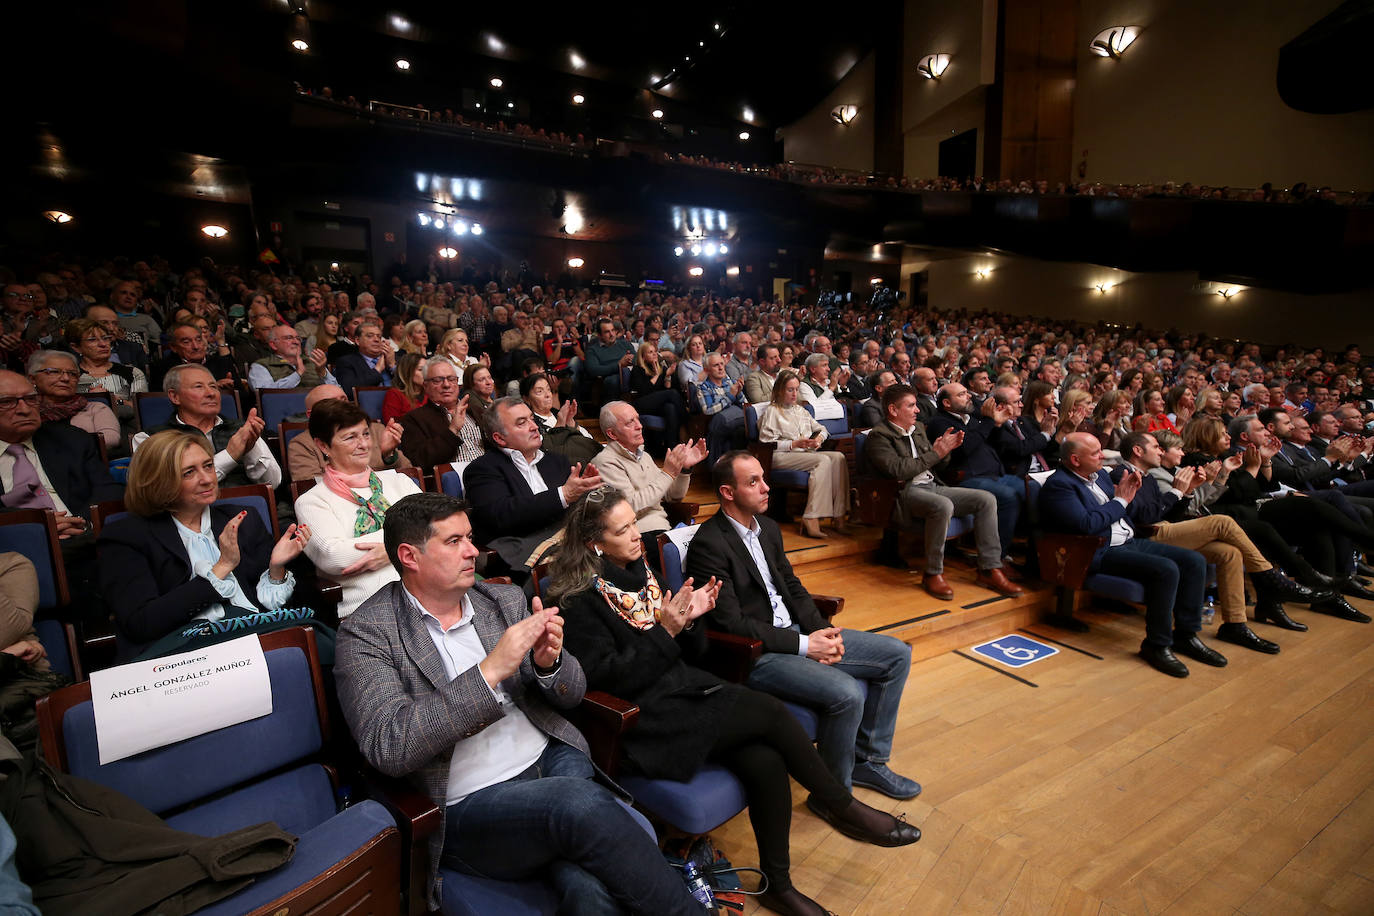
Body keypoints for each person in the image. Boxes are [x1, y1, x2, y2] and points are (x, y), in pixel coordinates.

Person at [552, 487, 919, 916]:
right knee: (770, 711)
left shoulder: (641, 570)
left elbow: (695, 653)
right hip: (642, 720)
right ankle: (842, 804)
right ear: (594, 543)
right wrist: (667, 631)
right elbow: (610, 680)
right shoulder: (576, 600)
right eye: (623, 529)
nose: (637, 534)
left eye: (635, 522)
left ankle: (779, 886)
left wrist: (692, 620)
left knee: (765, 760)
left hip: (682, 690)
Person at [332, 492, 705, 914]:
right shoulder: (367, 634)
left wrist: (550, 665)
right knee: (578, 809)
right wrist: (489, 672)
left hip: (552, 760)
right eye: (454, 541)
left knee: (587, 888)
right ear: (409, 556)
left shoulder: (501, 601)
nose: (473, 550)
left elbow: (573, 692)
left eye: (470, 537)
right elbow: (389, 745)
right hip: (471, 800)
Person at [683, 451, 926, 803]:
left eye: (764, 478)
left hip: (799, 632)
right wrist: (805, 645)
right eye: (753, 482)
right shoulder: (709, 543)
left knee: (897, 655)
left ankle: (867, 762)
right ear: (727, 492)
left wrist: (820, 631)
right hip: (758, 654)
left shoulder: (765, 527)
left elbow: (793, 587)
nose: (767, 487)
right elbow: (731, 623)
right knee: (847, 693)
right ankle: (832, 797)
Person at [97, 430, 310, 661]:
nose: (208, 478)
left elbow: (268, 608)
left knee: (321, 645)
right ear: (157, 480)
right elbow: (141, 623)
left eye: (208, 466)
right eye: (189, 472)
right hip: (183, 655)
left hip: (256, 637)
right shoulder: (125, 537)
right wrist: (221, 568)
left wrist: (276, 568)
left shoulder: (241, 519)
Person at [1112, 431, 1320, 653]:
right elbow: (1143, 517)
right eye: (1156, 446)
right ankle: (1269, 577)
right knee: (1222, 522)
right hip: (1146, 535)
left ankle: (1235, 624)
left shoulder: (1149, 476)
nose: (1160, 451)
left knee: (1229, 553)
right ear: (1137, 450)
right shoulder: (1121, 474)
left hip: (1166, 528)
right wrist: (1176, 491)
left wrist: (1188, 492)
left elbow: (1170, 514)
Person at [1039, 434, 1220, 677]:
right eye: (1095, 453)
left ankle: (1186, 635)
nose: (1103, 456)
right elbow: (1087, 525)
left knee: (1194, 560)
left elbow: (1127, 509)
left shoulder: (1101, 475)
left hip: (1129, 540)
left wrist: (1129, 495)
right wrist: (1121, 500)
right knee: (1166, 569)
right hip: (1098, 550)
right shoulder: (1060, 485)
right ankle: (1156, 645)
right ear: (1075, 459)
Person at [863, 385, 1023, 597]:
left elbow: (936, 465)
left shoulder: (918, 428)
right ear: (893, 410)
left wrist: (945, 451)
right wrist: (936, 453)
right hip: (903, 492)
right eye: (911, 406)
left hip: (932, 485)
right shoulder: (879, 436)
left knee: (986, 499)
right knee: (943, 505)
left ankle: (989, 568)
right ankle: (932, 573)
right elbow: (898, 470)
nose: (917, 410)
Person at [294, 400, 423, 619]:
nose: (364, 444)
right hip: (369, 608)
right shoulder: (312, 501)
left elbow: (435, 527)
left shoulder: (399, 481)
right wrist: (406, 543)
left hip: (427, 590)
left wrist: (388, 551)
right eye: (350, 437)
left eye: (365, 434)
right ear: (324, 446)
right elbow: (335, 556)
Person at [463, 397, 602, 575]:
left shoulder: (556, 461)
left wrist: (587, 492)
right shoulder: (482, 469)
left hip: (569, 540)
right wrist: (564, 495)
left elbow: (576, 506)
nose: (534, 426)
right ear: (499, 438)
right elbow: (501, 515)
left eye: (532, 419)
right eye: (522, 423)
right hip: (522, 549)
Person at [926, 383, 1030, 564]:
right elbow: (964, 449)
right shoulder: (940, 422)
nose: (968, 396)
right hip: (967, 478)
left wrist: (997, 424)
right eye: (961, 394)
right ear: (947, 403)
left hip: (996, 475)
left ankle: (1029, 548)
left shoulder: (972, 419)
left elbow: (995, 443)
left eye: (967, 392)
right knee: (1008, 496)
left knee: (1031, 490)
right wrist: (989, 422)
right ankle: (998, 557)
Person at [132, 365, 281, 490]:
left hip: (247, 513)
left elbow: (273, 483)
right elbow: (163, 489)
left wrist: (250, 449)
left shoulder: (242, 429)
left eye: (213, 387)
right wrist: (230, 455)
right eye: (198, 387)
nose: (211, 393)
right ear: (174, 396)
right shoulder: (150, 439)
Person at [590, 401, 705, 551]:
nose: (640, 426)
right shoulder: (605, 462)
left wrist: (684, 469)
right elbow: (630, 506)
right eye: (630, 423)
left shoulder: (644, 456)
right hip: (639, 537)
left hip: (664, 530)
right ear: (612, 434)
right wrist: (668, 473)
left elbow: (673, 496)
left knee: (709, 545)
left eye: (637, 419)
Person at [757, 370, 850, 539]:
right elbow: (765, 443)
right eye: (789, 390)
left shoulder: (800, 410)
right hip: (779, 456)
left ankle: (839, 514)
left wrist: (819, 440)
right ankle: (811, 517)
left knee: (839, 458)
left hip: (803, 454)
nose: (794, 394)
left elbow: (822, 429)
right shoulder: (773, 411)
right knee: (822, 461)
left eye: (796, 389)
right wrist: (793, 444)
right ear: (779, 390)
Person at [287, 385, 408, 482]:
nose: (342, 406)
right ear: (311, 415)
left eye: (344, 400)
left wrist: (388, 456)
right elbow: (310, 486)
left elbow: (409, 473)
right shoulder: (301, 444)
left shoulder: (376, 430)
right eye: (331, 403)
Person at [396, 360, 484, 474]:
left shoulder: (475, 411)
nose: (446, 385)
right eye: (437, 380)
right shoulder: (414, 419)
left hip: (490, 473)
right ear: (426, 386)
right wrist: (452, 430)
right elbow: (420, 461)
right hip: (454, 482)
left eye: (451, 379)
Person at [28, 350, 119, 451]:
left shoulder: (95, 408)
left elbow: (110, 440)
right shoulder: (24, 411)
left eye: (72, 373)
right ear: (32, 378)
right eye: (54, 371)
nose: (66, 378)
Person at [66, 318, 147, 423]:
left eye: (105, 338)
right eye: (92, 340)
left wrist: (112, 399)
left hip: (125, 427)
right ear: (76, 347)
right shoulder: (69, 376)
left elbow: (142, 410)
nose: (103, 344)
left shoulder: (132, 373)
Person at [625, 342, 686, 454]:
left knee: (670, 408)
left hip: (657, 405)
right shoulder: (637, 370)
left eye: (655, 352)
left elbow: (665, 389)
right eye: (650, 352)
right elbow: (645, 390)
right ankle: (687, 420)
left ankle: (671, 450)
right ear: (643, 356)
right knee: (672, 394)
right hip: (641, 404)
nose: (654, 354)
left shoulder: (661, 368)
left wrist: (667, 375)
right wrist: (658, 375)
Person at [695, 353, 747, 469]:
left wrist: (738, 394)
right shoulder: (703, 387)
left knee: (740, 431)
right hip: (720, 422)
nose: (720, 368)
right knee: (726, 426)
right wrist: (730, 396)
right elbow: (708, 410)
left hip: (734, 421)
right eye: (715, 365)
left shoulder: (731, 383)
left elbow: (745, 405)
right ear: (707, 370)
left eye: (722, 364)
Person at [248, 325, 337, 391]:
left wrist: (322, 372)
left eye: (298, 338)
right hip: (284, 412)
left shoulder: (313, 362)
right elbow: (265, 393)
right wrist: (297, 374)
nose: (296, 342)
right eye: (288, 338)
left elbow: (336, 390)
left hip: (319, 410)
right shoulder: (261, 366)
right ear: (273, 344)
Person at [334, 322, 395, 397]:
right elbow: (350, 391)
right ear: (357, 341)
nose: (376, 340)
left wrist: (392, 365)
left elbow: (409, 385)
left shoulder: (395, 359)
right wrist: (377, 369)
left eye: (379, 336)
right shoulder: (346, 362)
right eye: (370, 336)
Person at [382, 352, 427, 423]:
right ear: (408, 372)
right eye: (420, 370)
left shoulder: (430, 393)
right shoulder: (394, 394)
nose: (426, 373)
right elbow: (392, 424)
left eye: (427, 369)